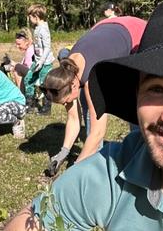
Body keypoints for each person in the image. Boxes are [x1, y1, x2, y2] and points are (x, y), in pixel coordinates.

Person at [6, 0, 163, 230]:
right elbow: (28, 221)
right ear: (136, 93)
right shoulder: (115, 169)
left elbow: (96, 133)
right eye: (158, 89)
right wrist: (67, 155)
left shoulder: (87, 80)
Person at [41, 15, 146, 174]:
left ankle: (141, 153)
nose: (65, 105)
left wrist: (75, 170)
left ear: (74, 84)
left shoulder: (92, 78)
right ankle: (95, 157)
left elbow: (98, 132)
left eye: (65, 101)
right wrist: (63, 152)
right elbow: (74, 119)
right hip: (104, 28)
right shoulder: (68, 70)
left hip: (136, 33)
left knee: (138, 99)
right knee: (84, 101)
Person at [23, 4, 55, 115]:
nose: (29, 19)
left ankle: (46, 108)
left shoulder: (44, 30)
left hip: (45, 63)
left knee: (44, 84)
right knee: (28, 79)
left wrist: (41, 62)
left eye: (30, 17)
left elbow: (47, 47)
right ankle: (29, 105)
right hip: (36, 62)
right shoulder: (37, 28)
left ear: (36, 16)